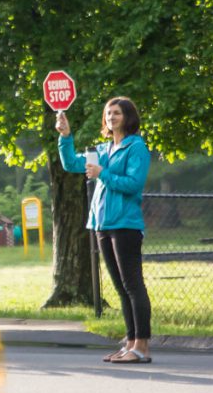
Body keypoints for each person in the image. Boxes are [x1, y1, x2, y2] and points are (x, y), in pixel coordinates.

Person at [57, 97, 153, 364]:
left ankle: (143, 346)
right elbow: (71, 165)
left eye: (117, 113)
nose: (111, 117)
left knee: (133, 285)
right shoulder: (103, 149)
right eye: (108, 113)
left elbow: (133, 184)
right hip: (102, 224)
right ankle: (130, 343)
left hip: (125, 224)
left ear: (128, 117)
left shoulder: (137, 147)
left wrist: (103, 174)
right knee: (122, 288)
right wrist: (66, 136)